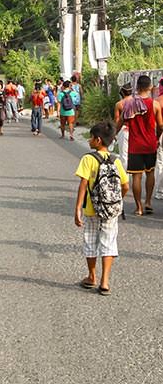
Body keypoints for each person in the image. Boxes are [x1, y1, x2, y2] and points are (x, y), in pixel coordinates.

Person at [74, 121, 129, 296]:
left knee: (91, 241)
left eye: (91, 137)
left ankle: (92, 277)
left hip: (92, 209)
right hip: (111, 211)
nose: (90, 140)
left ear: (97, 140)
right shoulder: (116, 160)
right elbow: (125, 185)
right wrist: (116, 200)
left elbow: (83, 185)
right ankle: (105, 281)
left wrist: (78, 209)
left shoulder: (88, 159)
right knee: (109, 242)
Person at [117, 75, 163, 216]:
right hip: (150, 144)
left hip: (134, 144)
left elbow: (120, 123)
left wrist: (112, 135)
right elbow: (160, 125)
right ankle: (148, 202)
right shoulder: (154, 104)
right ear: (150, 87)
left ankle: (139, 207)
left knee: (136, 177)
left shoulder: (129, 104)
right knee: (150, 173)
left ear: (137, 88)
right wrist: (156, 138)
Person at [113, 83, 133, 172]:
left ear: (122, 93)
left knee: (124, 155)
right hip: (136, 131)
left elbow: (117, 120)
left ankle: (125, 178)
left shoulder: (119, 104)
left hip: (124, 130)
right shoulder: (137, 102)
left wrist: (115, 132)